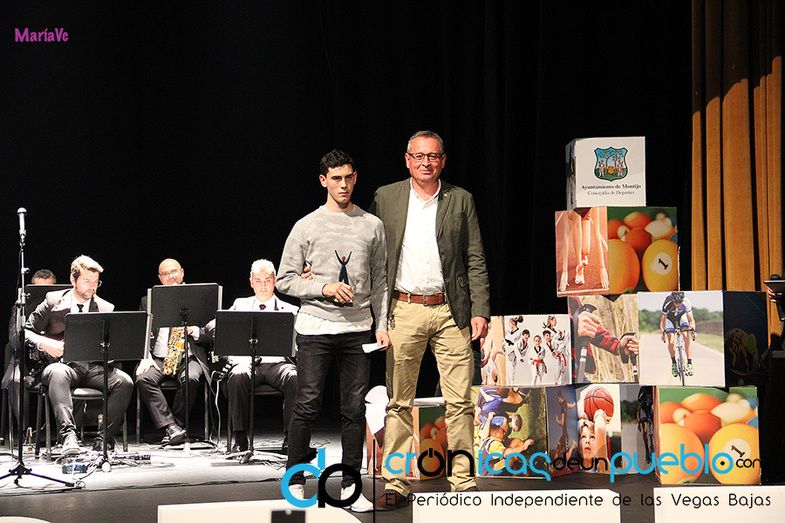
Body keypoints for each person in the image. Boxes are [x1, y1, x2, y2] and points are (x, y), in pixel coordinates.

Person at [370, 130, 490, 509]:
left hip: (450, 310)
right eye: (419, 156)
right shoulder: (386, 197)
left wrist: (480, 310)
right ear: (407, 160)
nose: (426, 163)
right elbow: (371, 253)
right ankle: (396, 482)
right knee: (398, 403)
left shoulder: (460, 199)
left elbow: (475, 258)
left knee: (460, 402)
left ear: (443, 160)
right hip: (404, 308)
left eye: (433, 156)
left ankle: (463, 481)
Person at [276, 148, 388, 513]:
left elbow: (380, 281)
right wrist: (323, 287)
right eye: (336, 178)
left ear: (355, 179)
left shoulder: (372, 225)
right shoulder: (306, 226)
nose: (343, 185)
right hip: (316, 327)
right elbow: (284, 280)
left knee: (354, 409)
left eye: (348, 178)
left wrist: (382, 324)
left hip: (358, 328)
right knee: (307, 403)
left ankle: (351, 485)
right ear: (323, 181)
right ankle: (295, 479)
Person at [25, 256, 133, 455]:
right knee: (58, 373)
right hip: (63, 365)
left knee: (124, 382)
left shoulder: (105, 307)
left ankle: (103, 440)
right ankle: (68, 437)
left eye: (96, 282)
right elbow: (25, 331)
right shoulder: (53, 301)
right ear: (73, 279)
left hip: (93, 368)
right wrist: (45, 343)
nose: (92, 287)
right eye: (87, 281)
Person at [205, 259, 299, 453]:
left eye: (267, 280)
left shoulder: (290, 310)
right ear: (251, 282)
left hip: (277, 365)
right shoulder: (241, 304)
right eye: (258, 281)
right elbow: (213, 325)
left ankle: (291, 437)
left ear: (275, 281)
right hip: (248, 363)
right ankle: (240, 437)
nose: (263, 285)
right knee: (237, 375)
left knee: (294, 377)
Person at [135, 258, 212, 445]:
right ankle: (171, 427)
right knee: (143, 379)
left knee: (191, 379)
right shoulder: (148, 301)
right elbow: (139, 333)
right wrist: (145, 356)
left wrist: (196, 331)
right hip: (159, 358)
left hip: (188, 356)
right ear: (160, 278)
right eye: (165, 274)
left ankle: (177, 424)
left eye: (174, 272)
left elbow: (212, 333)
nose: (170, 277)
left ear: (182, 272)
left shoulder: (199, 298)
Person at [2, 269, 57, 429]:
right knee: (15, 381)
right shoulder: (19, 309)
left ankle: (68, 433)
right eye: (38, 291)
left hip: (55, 360)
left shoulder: (62, 308)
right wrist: (35, 336)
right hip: (25, 360)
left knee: (72, 374)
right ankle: (26, 432)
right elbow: (14, 342)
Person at [659, 291, 696, 377]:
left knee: (686, 336)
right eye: (676, 302)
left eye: (680, 302)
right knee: (671, 341)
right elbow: (662, 321)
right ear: (672, 300)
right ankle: (674, 364)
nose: (678, 304)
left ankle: (689, 363)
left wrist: (693, 331)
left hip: (681, 316)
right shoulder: (667, 302)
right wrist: (662, 333)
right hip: (670, 319)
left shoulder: (686, 302)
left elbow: (691, 320)